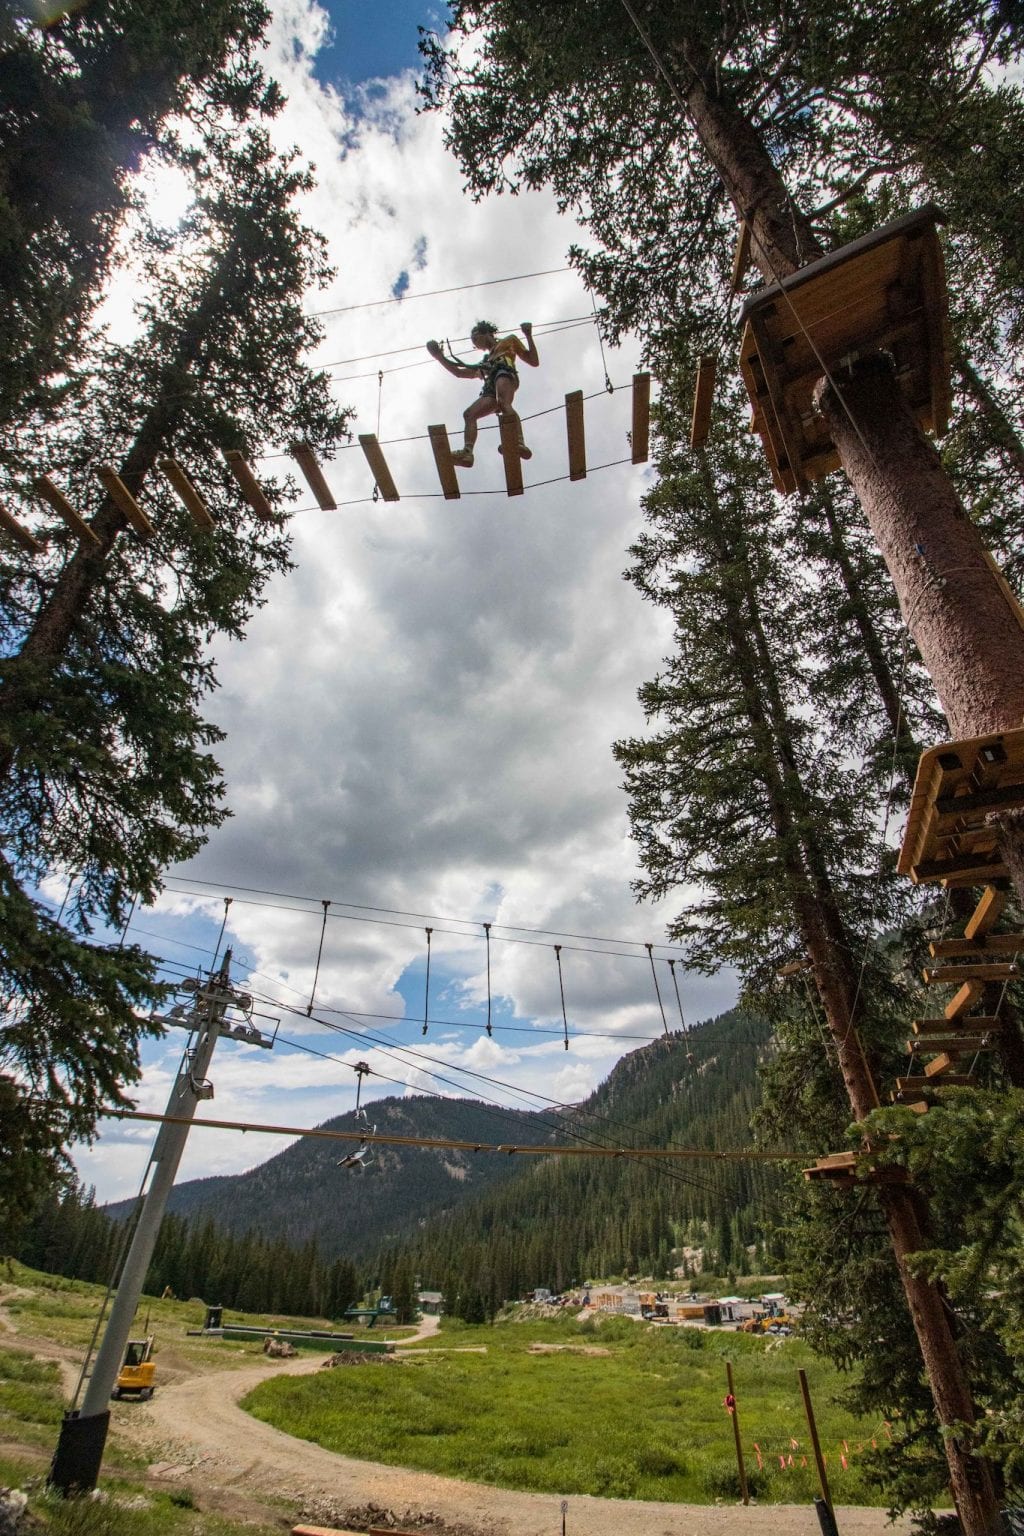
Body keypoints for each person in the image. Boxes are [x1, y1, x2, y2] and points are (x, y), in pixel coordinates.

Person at [426, 320, 539, 468]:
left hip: (504, 372)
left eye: (475, 337)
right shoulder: (486, 361)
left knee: (503, 403)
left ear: (486, 332)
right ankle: (467, 452)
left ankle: (518, 441)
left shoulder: (509, 341)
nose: (474, 342)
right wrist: (439, 357)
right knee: (469, 414)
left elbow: (533, 361)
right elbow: (459, 372)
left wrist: (528, 335)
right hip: (490, 385)